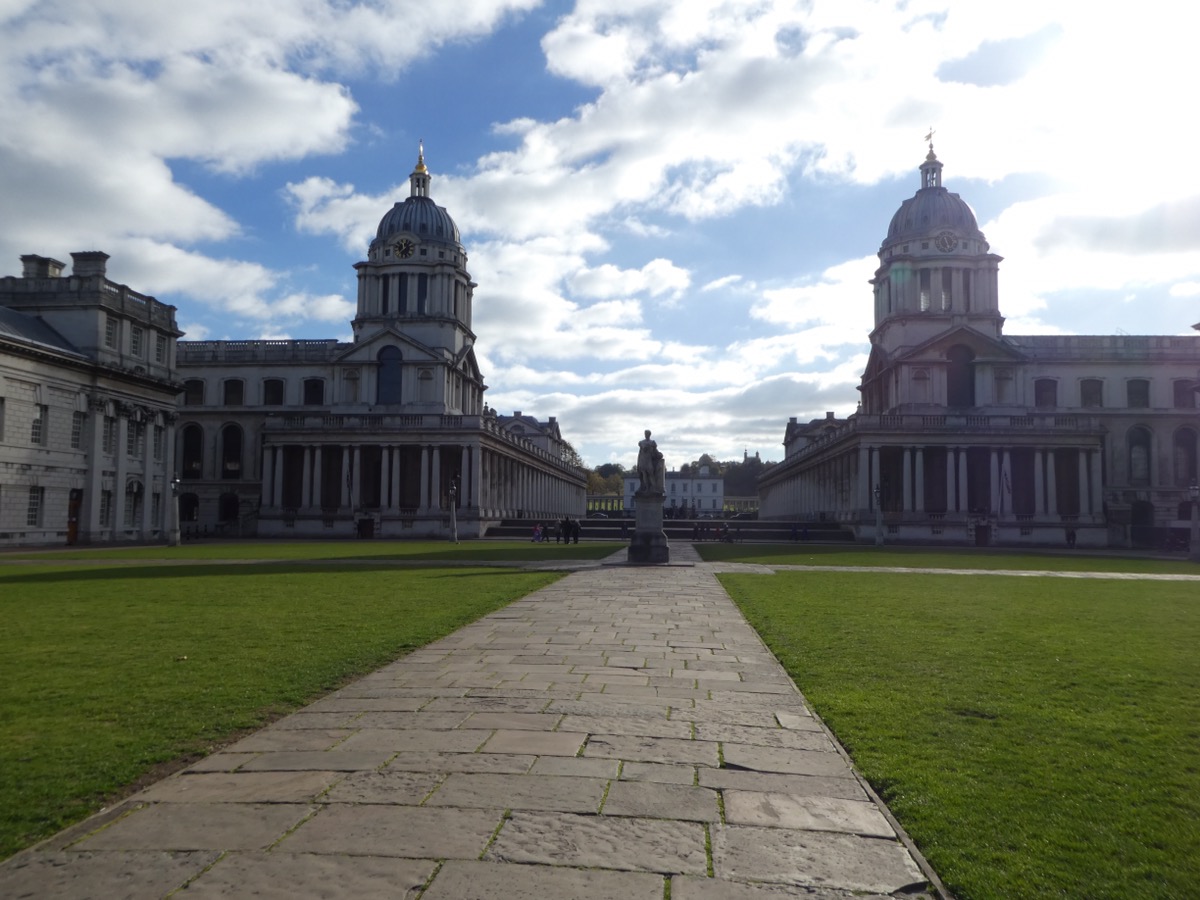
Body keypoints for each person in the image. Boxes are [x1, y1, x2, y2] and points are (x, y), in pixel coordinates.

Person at [635, 429, 666, 495]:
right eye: (645, 433)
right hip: (643, 460)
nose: (646, 435)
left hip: (649, 460)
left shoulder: (652, 443)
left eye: (647, 434)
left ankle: (653, 488)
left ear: (649, 435)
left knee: (650, 474)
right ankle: (645, 487)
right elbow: (640, 453)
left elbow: (655, 452)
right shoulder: (641, 442)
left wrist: (659, 454)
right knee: (644, 474)